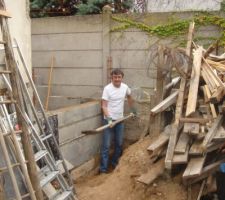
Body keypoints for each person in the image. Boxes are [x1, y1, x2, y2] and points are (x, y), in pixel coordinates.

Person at [99, 68, 136, 173]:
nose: (117, 79)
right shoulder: (107, 89)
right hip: (109, 121)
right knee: (106, 145)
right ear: (112, 78)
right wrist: (110, 120)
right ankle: (103, 169)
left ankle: (115, 164)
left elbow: (129, 97)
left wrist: (132, 109)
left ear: (122, 78)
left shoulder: (125, 87)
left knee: (119, 143)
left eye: (119, 77)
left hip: (120, 120)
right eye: (115, 77)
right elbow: (104, 106)